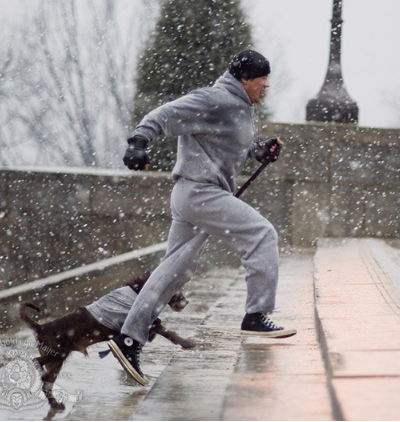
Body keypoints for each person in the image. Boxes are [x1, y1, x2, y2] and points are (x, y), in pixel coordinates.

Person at [107, 50, 297, 386]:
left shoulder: (238, 105)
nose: (267, 85)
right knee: (262, 235)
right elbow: (165, 114)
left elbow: (228, 144)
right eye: (262, 78)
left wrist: (258, 151)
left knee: (175, 270)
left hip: (195, 194)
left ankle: (129, 339)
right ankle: (256, 315)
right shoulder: (215, 98)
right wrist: (138, 142)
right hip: (200, 193)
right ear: (245, 79)